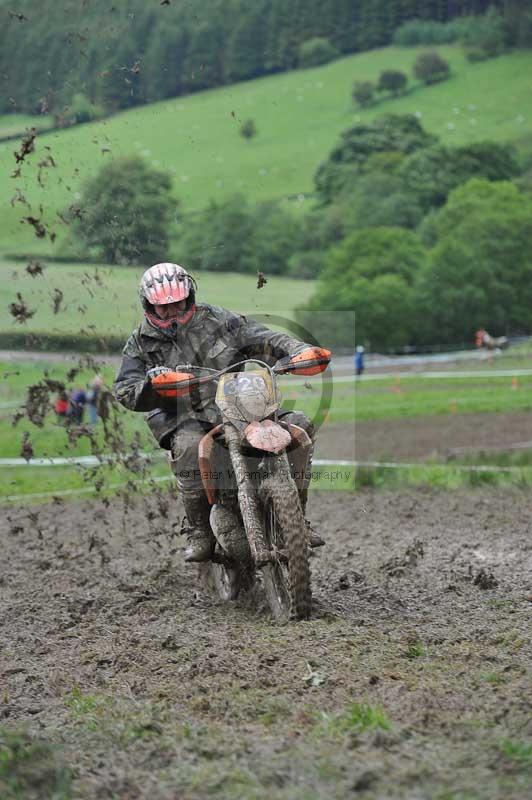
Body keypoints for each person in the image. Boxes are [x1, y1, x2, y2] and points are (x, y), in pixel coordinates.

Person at [114, 262, 330, 562]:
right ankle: (199, 530)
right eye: (164, 308)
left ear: (189, 298)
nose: (172, 312)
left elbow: (262, 337)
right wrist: (154, 386)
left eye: (178, 304)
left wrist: (298, 351)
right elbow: (125, 389)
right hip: (184, 417)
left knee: (300, 425)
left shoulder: (218, 320)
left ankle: (298, 519)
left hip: (240, 405)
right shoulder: (140, 342)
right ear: (148, 305)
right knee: (189, 448)